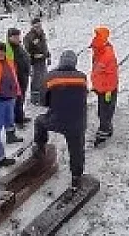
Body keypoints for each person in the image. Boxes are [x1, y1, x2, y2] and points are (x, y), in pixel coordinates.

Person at [32, 50, 88, 187]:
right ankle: (76, 177)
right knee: (77, 149)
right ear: (75, 63)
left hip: (56, 120)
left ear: (61, 61)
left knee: (39, 121)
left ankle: (40, 147)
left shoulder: (51, 77)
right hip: (77, 122)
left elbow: (43, 101)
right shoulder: (82, 77)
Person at [90, 26, 119, 144]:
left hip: (107, 90)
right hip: (102, 88)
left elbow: (109, 75)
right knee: (103, 110)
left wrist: (107, 89)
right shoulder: (100, 50)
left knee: (105, 111)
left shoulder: (106, 55)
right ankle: (107, 128)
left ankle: (103, 133)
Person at [5, 27, 32, 127]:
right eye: (14, 36)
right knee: (17, 100)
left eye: (18, 36)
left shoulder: (18, 46)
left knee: (21, 98)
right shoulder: (8, 49)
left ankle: (21, 116)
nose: (17, 38)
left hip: (23, 76)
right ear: (9, 37)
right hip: (16, 79)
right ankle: (18, 120)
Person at [24, 17, 51, 105]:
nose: (38, 28)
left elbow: (45, 46)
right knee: (36, 80)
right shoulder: (29, 37)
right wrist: (33, 57)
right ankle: (34, 99)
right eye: (36, 26)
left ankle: (43, 96)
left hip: (43, 60)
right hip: (34, 62)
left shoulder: (42, 34)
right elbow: (27, 51)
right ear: (32, 27)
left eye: (39, 26)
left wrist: (48, 56)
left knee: (44, 79)